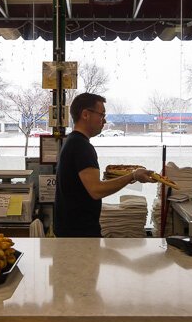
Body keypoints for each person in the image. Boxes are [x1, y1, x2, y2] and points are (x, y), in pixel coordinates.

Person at [55, 92, 154, 237]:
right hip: (79, 236)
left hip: (70, 232)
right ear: (85, 114)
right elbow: (96, 190)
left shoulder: (72, 141)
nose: (104, 120)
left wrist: (115, 175)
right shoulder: (81, 146)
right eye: (101, 115)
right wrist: (133, 175)